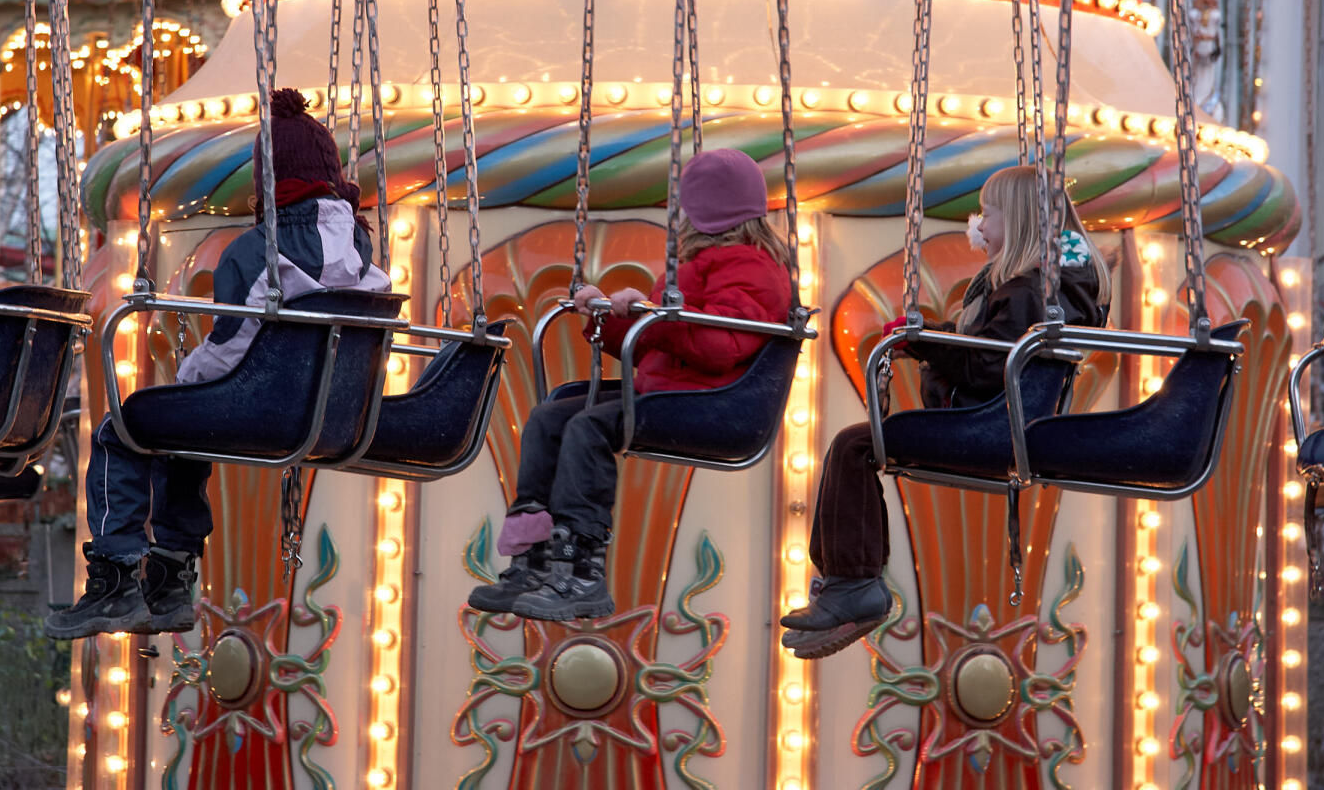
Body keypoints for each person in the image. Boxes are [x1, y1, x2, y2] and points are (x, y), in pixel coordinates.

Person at [44, 88, 390, 639]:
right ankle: (168, 583)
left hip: (260, 410)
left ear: (268, 179)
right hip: (334, 415)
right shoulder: (362, 250)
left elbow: (231, 348)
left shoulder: (255, 251)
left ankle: (117, 577)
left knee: (124, 427)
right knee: (180, 433)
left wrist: (188, 377)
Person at [780, 164, 1109, 659]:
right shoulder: (1044, 288)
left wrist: (925, 341)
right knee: (860, 445)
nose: (978, 223)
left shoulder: (1029, 291)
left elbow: (986, 367)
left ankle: (853, 584)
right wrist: (928, 336)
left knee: (854, 445)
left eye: (987, 213)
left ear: (1017, 220)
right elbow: (993, 351)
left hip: (990, 426)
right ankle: (848, 583)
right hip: (1001, 421)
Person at [467, 148, 792, 621]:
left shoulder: (753, 268)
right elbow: (651, 346)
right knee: (550, 417)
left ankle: (581, 567)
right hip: (670, 387)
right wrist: (606, 316)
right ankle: (534, 558)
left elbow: (721, 346)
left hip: (716, 400)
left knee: (589, 428)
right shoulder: (693, 264)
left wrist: (657, 314)